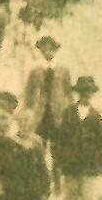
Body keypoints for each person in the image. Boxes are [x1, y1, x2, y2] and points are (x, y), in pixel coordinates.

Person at [53, 76, 102, 200]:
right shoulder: (69, 112)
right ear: (78, 93)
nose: (86, 96)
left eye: (89, 93)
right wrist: (59, 161)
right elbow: (60, 139)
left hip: (90, 166)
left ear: (92, 94)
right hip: (71, 165)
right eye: (83, 92)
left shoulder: (96, 116)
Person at [21, 35, 73, 182]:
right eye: (45, 49)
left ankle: (56, 180)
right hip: (40, 115)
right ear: (41, 51)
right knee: (39, 148)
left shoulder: (63, 70)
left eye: (51, 49)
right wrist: (28, 111)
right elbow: (28, 94)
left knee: (57, 150)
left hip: (57, 115)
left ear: (55, 51)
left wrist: (69, 112)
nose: (48, 52)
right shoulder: (35, 71)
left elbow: (68, 93)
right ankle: (40, 179)